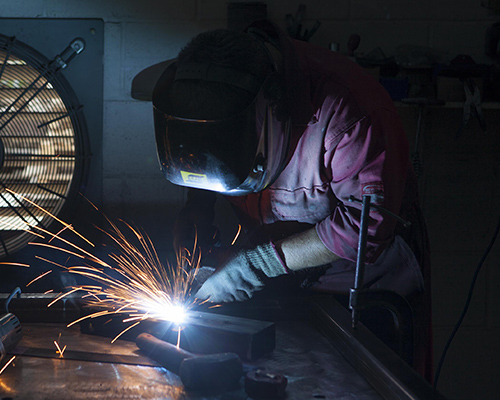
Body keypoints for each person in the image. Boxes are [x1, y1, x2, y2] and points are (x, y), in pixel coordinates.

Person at [151, 19, 432, 380]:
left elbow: (363, 229)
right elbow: (204, 147)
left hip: (365, 296)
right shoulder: (229, 107)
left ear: (275, 108)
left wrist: (257, 264)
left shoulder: (351, 111)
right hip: (282, 284)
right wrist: (197, 208)